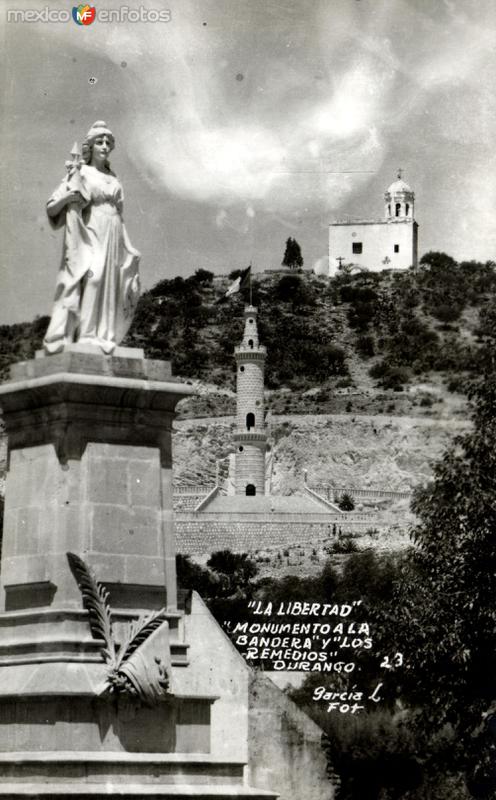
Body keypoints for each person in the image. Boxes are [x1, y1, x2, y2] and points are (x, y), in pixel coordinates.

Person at [43, 121, 140, 355]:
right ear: (91, 146)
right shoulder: (81, 172)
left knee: (112, 284)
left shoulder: (113, 178)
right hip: (92, 230)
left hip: (114, 232)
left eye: (108, 142)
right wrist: (68, 199)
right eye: (100, 142)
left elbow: (119, 214)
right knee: (93, 279)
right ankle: (86, 335)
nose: (105, 146)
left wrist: (129, 246)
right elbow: (52, 207)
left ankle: (103, 336)